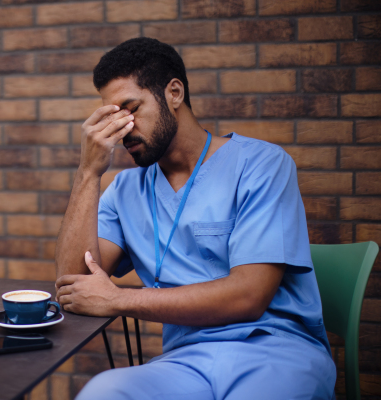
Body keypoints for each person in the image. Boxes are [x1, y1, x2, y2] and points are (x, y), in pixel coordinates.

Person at [54, 38, 336, 400]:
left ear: (174, 92)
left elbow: (249, 296)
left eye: (131, 108)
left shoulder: (262, 165)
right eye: (112, 116)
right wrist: (88, 172)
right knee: (101, 393)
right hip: (184, 362)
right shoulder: (124, 190)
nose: (123, 128)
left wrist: (118, 300)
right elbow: (74, 285)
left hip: (275, 350)